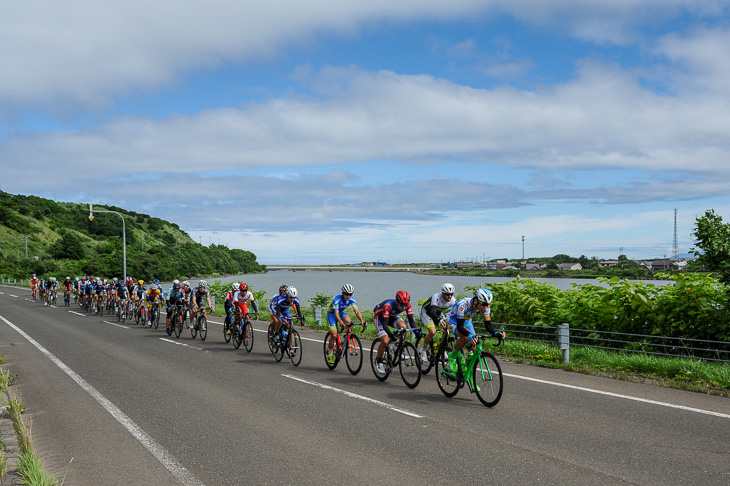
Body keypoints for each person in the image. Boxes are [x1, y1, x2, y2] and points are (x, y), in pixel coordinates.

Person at [445, 288, 506, 385]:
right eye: (484, 304)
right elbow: (460, 327)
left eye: (488, 304)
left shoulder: (485, 306)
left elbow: (488, 324)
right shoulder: (463, 305)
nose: (486, 307)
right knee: (466, 337)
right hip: (453, 320)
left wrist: (496, 333)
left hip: (467, 320)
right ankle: (451, 356)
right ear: (476, 300)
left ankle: (471, 377)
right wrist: (469, 335)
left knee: (475, 347)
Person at [373, 291, 417, 374]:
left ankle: (400, 349)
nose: (404, 308)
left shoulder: (407, 305)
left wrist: (417, 332)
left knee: (404, 328)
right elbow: (385, 325)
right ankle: (379, 360)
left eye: (406, 305)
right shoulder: (388, 306)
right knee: (385, 341)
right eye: (402, 305)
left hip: (392, 316)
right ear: (397, 302)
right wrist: (391, 336)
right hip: (380, 318)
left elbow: (411, 321)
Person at [325, 284, 366, 364]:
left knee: (348, 321)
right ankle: (330, 353)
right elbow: (336, 314)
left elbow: (356, 311)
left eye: (350, 294)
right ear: (343, 293)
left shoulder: (352, 300)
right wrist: (340, 322)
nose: (348, 296)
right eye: (346, 294)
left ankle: (345, 340)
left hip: (340, 313)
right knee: (334, 335)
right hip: (332, 314)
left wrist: (362, 320)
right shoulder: (337, 299)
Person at [418, 283, 457, 362]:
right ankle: (423, 349)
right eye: (447, 294)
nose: (450, 296)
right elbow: (432, 312)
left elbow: (456, 312)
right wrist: (439, 320)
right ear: (442, 293)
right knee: (432, 332)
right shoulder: (436, 297)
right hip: (427, 312)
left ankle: (442, 348)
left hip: (438, 312)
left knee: (447, 328)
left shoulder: (453, 300)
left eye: (451, 294)